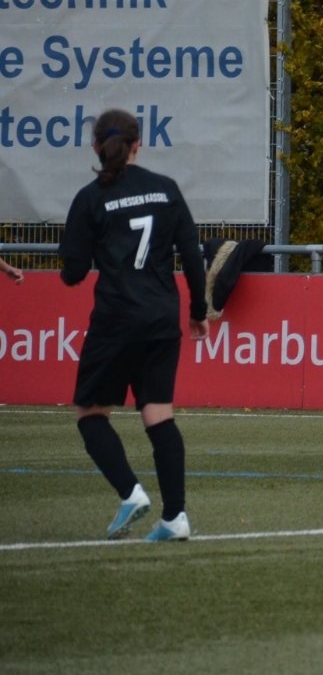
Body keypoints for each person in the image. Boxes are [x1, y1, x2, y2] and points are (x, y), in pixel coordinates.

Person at [58, 108, 206, 541]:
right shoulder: (166, 189)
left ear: (95, 147)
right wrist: (198, 310)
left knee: (90, 414)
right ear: (139, 144)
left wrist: (80, 254)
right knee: (159, 415)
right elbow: (192, 255)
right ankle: (175, 517)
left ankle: (130, 492)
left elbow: (73, 272)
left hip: (116, 319)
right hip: (161, 318)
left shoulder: (90, 197)